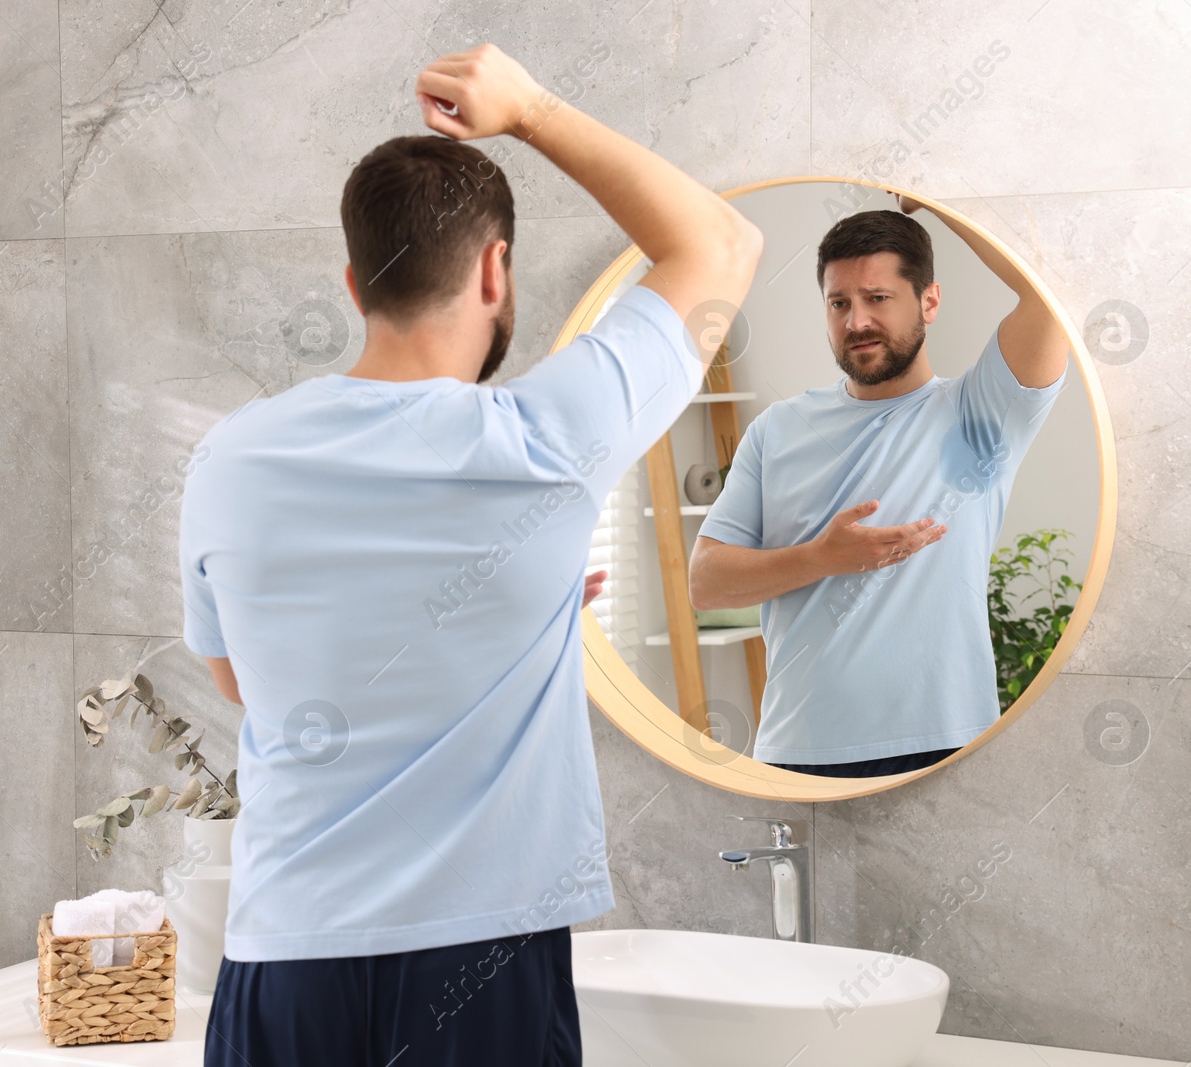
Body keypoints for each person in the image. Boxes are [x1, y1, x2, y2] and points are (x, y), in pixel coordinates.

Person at [178, 43, 763, 1067]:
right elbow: (718, 241)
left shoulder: (229, 456)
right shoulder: (541, 439)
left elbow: (246, 679)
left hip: (281, 962)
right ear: (496, 269)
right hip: (478, 964)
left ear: (355, 281)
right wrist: (528, 106)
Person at [687, 200, 1067, 778]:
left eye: (878, 299)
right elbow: (706, 582)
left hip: (949, 742)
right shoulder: (780, 428)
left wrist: (944, 200)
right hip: (800, 748)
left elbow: (1048, 296)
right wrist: (822, 558)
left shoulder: (984, 409)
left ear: (929, 301)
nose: (856, 321)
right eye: (839, 303)